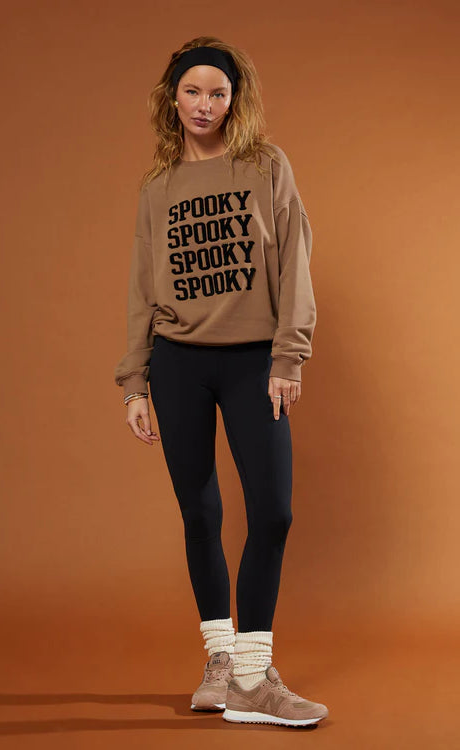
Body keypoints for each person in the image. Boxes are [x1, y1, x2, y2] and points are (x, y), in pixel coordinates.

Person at [114, 36, 328, 728]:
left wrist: (288, 357)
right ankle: (221, 665)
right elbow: (142, 287)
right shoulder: (158, 187)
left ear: (235, 100)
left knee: (272, 512)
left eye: (218, 92)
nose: (204, 104)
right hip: (177, 362)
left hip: (251, 362)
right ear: (171, 98)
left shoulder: (265, 165)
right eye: (192, 91)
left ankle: (252, 675)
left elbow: (293, 259)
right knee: (199, 513)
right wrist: (135, 381)